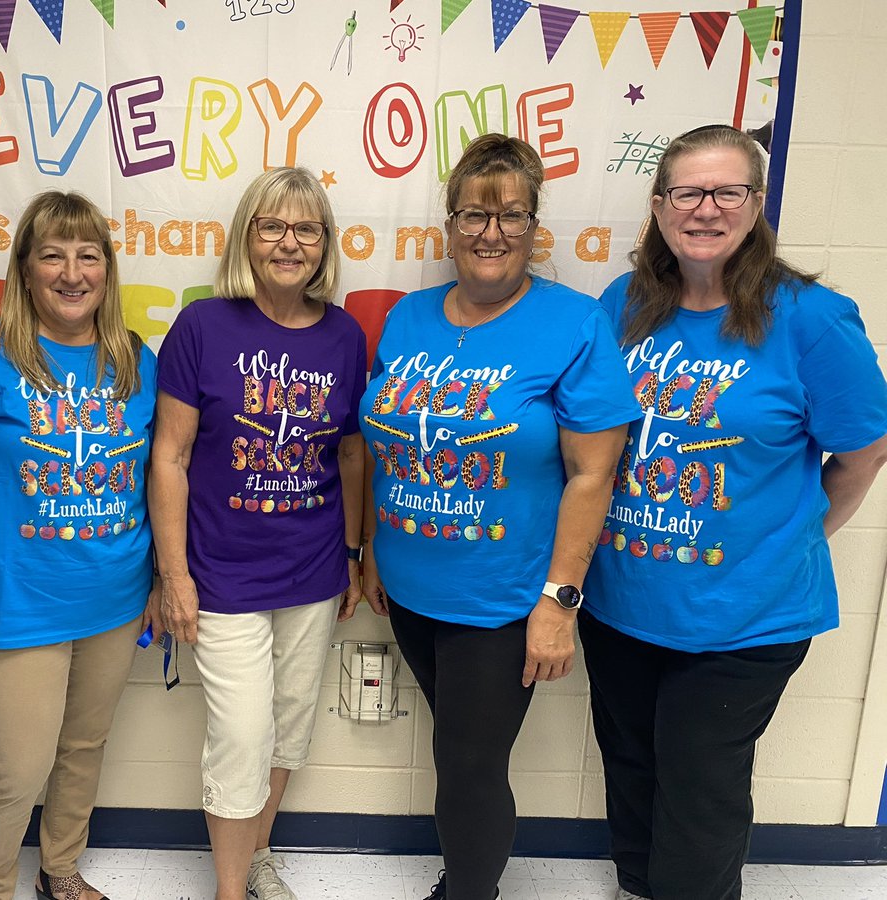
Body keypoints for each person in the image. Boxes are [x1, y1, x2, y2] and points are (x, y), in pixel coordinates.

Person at [581, 124, 887, 900]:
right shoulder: (625, 305)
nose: (706, 209)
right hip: (622, 602)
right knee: (631, 767)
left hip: (744, 618)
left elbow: (863, 455)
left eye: (727, 191)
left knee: (700, 793)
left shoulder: (812, 318)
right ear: (660, 206)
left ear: (756, 204)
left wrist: (796, 538)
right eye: (688, 192)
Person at [358, 133, 640, 900]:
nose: (492, 232)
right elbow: (386, 441)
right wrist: (373, 546)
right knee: (457, 754)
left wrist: (559, 601)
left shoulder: (574, 324)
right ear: (449, 226)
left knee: (469, 769)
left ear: (533, 228)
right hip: (411, 590)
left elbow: (594, 474)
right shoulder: (409, 318)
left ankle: (468, 892)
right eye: (475, 215)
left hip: (503, 603)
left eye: (512, 215)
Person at [0, 191, 159, 900]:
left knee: (83, 748)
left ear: (107, 268)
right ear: (25, 268)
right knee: (17, 769)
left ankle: (60, 869)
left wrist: (157, 581)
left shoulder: (134, 360)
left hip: (115, 596)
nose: (72, 273)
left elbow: (154, 477)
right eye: (53, 255)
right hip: (16, 600)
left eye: (88, 255)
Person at [150, 166, 366, 900]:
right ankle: (230, 889)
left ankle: (259, 855)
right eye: (272, 226)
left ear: (324, 243)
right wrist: (174, 576)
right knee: (240, 737)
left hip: (313, 570)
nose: (289, 243)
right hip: (221, 575)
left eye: (306, 229)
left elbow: (349, 454)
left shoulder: (344, 335)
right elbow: (170, 457)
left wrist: (352, 554)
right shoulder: (202, 326)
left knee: (288, 728)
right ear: (247, 236)